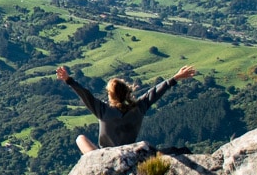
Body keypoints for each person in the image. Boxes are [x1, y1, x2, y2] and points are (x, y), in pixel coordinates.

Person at [55, 64, 197, 154]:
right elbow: (155, 92)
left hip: (105, 156)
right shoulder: (139, 107)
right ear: (128, 92)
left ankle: (92, 160)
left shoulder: (103, 111)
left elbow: (85, 94)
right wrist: (175, 78)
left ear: (110, 94)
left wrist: (69, 80)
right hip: (129, 154)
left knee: (80, 139)